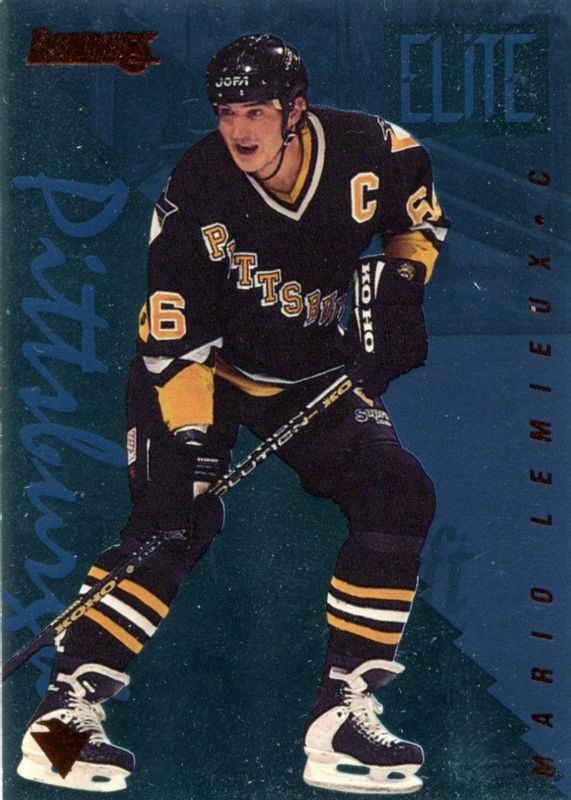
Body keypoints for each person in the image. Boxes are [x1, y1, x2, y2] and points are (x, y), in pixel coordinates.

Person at [18, 33, 449, 795]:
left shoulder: (377, 148)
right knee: (173, 521)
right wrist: (189, 442)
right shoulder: (197, 186)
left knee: (398, 494)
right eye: (226, 112)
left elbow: (416, 225)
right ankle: (58, 728)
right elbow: (173, 341)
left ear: (294, 110)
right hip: (200, 370)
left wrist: (404, 286)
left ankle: (339, 719)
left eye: (255, 111)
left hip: (307, 370)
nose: (239, 129)